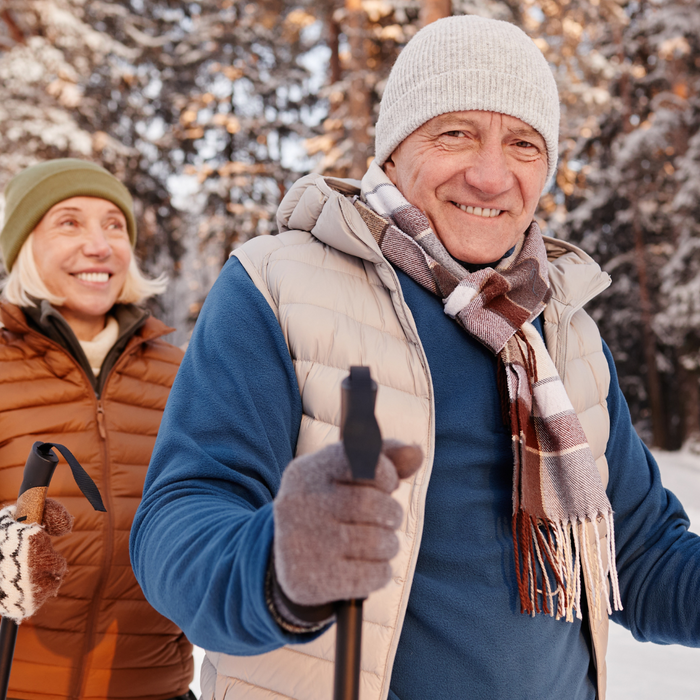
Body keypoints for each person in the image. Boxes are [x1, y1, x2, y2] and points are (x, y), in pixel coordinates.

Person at [130, 15, 700, 700]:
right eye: (456, 132)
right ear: (394, 150)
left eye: (523, 144)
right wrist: (277, 562)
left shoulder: (562, 329)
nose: (491, 176)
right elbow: (179, 520)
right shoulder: (276, 287)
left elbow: (638, 557)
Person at [0, 159, 194, 700]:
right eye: (69, 222)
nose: (99, 245)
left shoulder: (184, 375)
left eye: (114, 225)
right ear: (23, 247)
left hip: (154, 688)